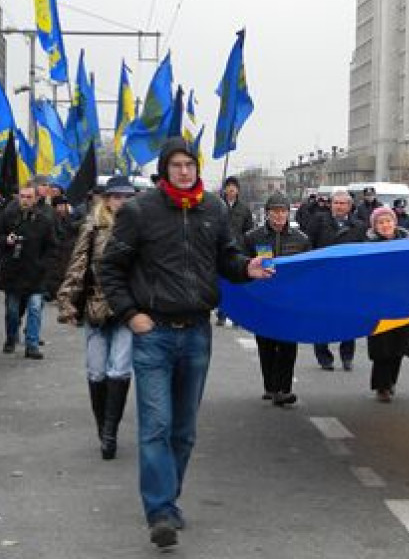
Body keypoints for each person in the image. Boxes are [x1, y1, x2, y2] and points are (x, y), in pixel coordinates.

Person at [99, 137, 271, 549]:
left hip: (196, 333)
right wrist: (131, 314)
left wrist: (245, 267)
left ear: (197, 168)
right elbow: (110, 269)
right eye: (175, 164)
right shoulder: (140, 211)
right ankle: (160, 512)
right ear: (164, 169)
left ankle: (168, 499)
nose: (183, 171)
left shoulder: (213, 208)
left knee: (184, 430)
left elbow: (226, 258)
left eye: (189, 164)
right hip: (153, 334)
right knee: (156, 425)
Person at [57, 176, 136, 460]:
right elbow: (78, 263)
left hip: (128, 309)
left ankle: (110, 433)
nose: (122, 202)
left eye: (127, 197)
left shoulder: (140, 227)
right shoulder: (92, 225)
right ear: (106, 199)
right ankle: (102, 427)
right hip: (96, 307)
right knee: (96, 372)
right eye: (116, 196)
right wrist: (66, 301)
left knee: (119, 370)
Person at [244, 192, 311, 405]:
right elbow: (242, 265)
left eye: (283, 211)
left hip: (290, 302)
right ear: (267, 213)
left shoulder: (301, 239)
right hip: (263, 301)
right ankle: (271, 386)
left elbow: (308, 270)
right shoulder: (253, 238)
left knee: (288, 346)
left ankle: (284, 389)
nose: (279, 215)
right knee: (266, 346)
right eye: (275, 211)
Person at [306, 189, 366, 371]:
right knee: (322, 318)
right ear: (331, 204)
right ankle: (324, 357)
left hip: (348, 280)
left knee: (348, 318)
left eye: (343, 203)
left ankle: (347, 356)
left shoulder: (359, 226)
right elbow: (308, 245)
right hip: (323, 278)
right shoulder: (318, 221)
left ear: (350, 206)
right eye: (336, 203)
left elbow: (364, 253)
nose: (339, 206)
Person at [0, 183, 55, 359]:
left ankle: (32, 345)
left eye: (29, 197)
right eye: (22, 196)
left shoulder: (44, 220)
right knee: (13, 311)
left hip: (35, 273)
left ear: (35, 199)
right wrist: (6, 240)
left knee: (35, 308)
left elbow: (51, 246)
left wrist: (43, 265)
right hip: (13, 272)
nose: (25, 200)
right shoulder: (7, 216)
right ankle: (11, 338)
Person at [365, 206, 409, 402]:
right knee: (382, 347)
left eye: (388, 221)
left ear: (395, 223)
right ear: (375, 226)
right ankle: (381, 386)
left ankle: (391, 381)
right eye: (380, 222)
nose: (385, 225)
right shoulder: (368, 246)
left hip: (403, 301)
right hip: (379, 303)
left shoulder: (408, 244)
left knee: (400, 345)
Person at [217, 175, 254, 327]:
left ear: (238, 190)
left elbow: (249, 231)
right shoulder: (218, 206)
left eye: (234, 187)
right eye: (229, 187)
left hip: (239, 252)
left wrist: (247, 251)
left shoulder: (244, 209)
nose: (231, 190)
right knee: (223, 285)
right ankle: (221, 314)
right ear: (225, 190)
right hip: (221, 251)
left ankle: (237, 317)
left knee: (238, 285)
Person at [44, 195, 81, 301]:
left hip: (67, 251)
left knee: (64, 272)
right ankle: (51, 292)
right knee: (54, 272)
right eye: (59, 205)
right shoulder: (51, 218)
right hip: (56, 251)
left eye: (63, 205)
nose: (62, 208)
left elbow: (72, 229)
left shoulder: (70, 217)